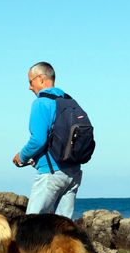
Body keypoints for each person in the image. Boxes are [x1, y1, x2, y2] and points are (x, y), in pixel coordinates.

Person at [12, 61, 83, 219]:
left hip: (51, 173)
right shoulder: (69, 101)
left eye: (30, 82)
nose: (30, 87)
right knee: (62, 229)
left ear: (41, 79)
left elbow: (38, 140)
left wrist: (21, 156)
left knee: (31, 228)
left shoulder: (41, 103)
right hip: (73, 172)